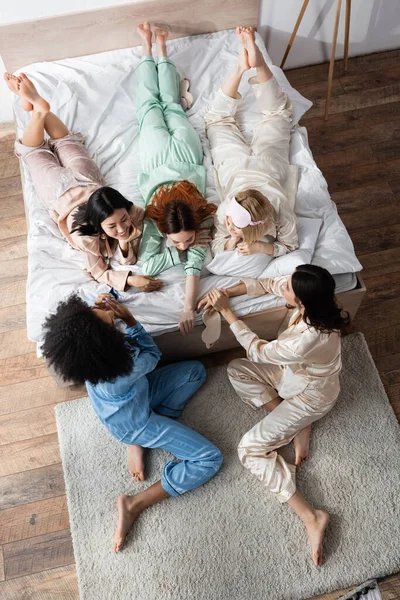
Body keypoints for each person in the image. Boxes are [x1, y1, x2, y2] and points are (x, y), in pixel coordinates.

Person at [41, 293, 223, 552]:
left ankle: (143, 439)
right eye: (104, 318)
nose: (100, 308)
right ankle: (135, 503)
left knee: (195, 371)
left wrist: (108, 303)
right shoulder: (124, 368)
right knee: (209, 459)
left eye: (93, 308)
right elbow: (152, 354)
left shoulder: (93, 360)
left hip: (137, 399)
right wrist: (130, 319)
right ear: (107, 339)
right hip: (134, 423)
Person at [198, 265, 349, 566]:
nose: (284, 287)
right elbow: (267, 282)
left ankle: (312, 516)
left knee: (248, 449)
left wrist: (228, 312)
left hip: (310, 396)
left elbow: (258, 351)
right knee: (236, 371)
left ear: (303, 302)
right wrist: (227, 292)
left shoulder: (309, 338)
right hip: (292, 377)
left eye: (289, 289)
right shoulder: (315, 298)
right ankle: (296, 426)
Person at [4, 72, 162, 292]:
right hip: (59, 190)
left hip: (87, 182)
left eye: (122, 220)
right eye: (113, 226)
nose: (122, 228)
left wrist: (125, 242)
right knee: (34, 150)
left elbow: (125, 258)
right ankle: (37, 107)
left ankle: (37, 106)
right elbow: (99, 272)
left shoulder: (131, 213)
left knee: (61, 141)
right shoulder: (85, 236)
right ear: (98, 224)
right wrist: (130, 279)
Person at [135, 22, 217, 333]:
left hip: (160, 159)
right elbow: (151, 265)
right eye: (180, 240)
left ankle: (156, 48)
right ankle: (152, 47)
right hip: (180, 155)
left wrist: (187, 306)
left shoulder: (189, 222)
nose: (185, 244)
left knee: (156, 106)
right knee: (161, 106)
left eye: (187, 239)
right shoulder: (161, 221)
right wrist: (177, 249)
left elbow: (181, 264)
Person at [204, 27, 298, 260]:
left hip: (261, 165)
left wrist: (259, 246)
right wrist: (239, 236)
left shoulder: (230, 211)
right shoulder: (275, 213)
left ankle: (248, 67)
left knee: (277, 115)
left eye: (231, 226)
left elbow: (217, 245)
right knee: (219, 121)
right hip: (241, 166)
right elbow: (289, 244)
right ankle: (250, 65)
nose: (227, 224)